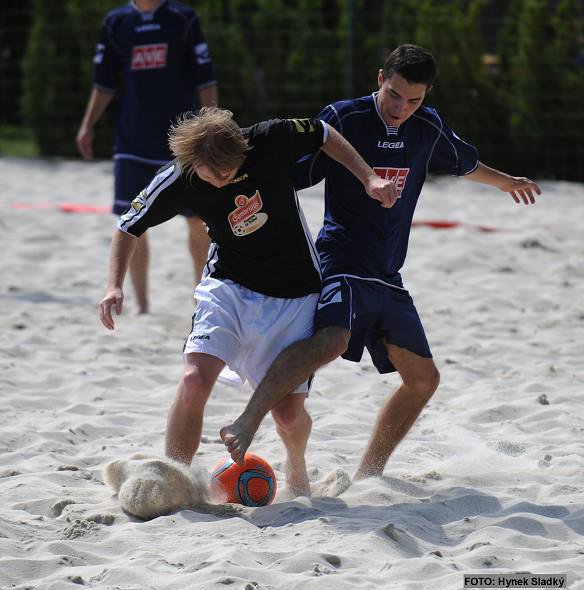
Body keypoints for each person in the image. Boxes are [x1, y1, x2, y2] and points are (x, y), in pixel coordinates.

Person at [220, 44, 542, 483]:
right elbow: (291, 174)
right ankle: (248, 420)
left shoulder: (427, 126)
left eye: (414, 99)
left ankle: (369, 476)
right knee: (332, 341)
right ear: (379, 79)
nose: (401, 108)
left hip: (388, 273)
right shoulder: (344, 118)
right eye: (394, 95)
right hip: (341, 256)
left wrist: (506, 182)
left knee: (423, 380)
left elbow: (464, 164)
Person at [99, 107, 397, 496]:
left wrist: (369, 176)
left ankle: (296, 466)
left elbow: (324, 132)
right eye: (214, 174)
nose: (223, 179)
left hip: (295, 293)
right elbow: (127, 226)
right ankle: (176, 480)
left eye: (230, 170)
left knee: (288, 415)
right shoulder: (177, 178)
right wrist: (113, 286)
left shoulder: (268, 138)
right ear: (193, 164)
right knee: (192, 381)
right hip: (228, 288)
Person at [77, 0, 218, 314]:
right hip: (133, 137)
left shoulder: (182, 18)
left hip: (183, 135)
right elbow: (104, 82)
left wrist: (210, 125)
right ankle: (141, 305)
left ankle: (202, 299)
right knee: (132, 220)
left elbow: (205, 78)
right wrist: (88, 124)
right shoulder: (116, 21)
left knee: (197, 219)